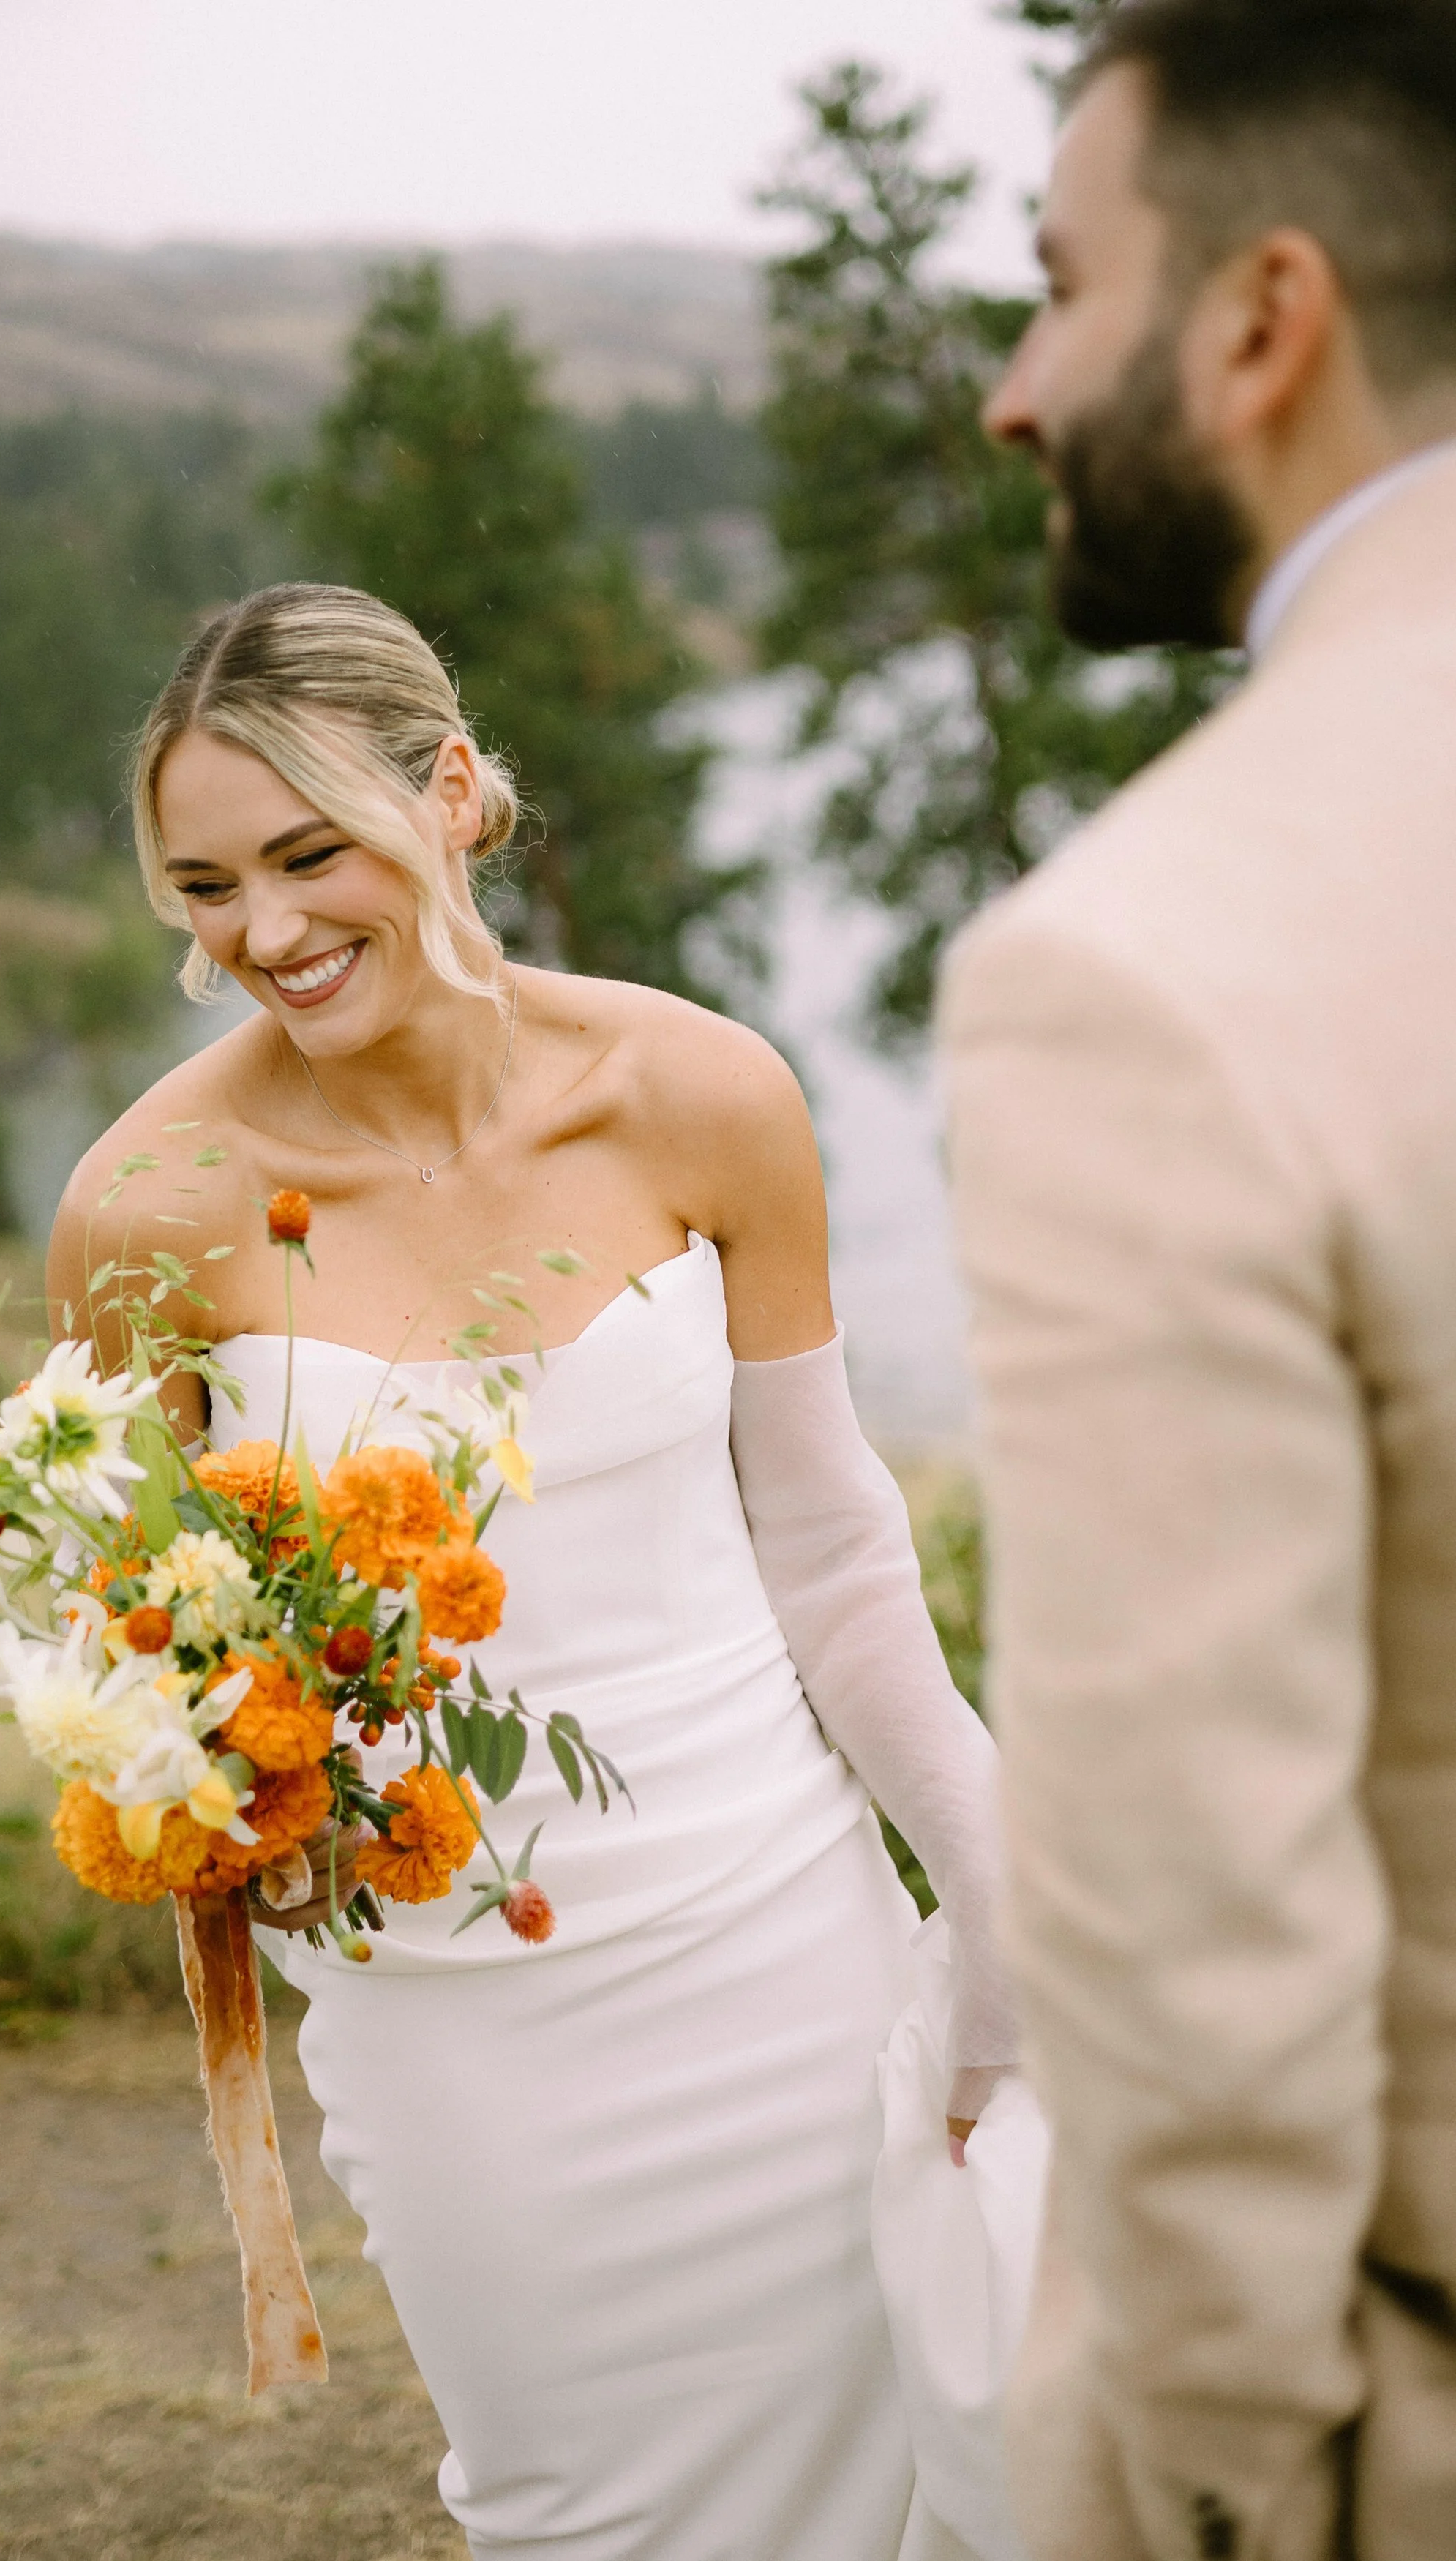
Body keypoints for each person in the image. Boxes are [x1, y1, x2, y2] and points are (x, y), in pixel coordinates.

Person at [48, 580, 1018, 2560]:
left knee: (923, 2461)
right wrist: (207, 1773)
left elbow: (831, 1549)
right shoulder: (147, 1207)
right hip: (447, 1994)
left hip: (780, 1931)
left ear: (459, 794)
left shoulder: (697, 1093)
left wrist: (994, 1886)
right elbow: (128, 1634)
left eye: (315, 851)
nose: (267, 930)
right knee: (580, 2504)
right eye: (206, 883)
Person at [940, 4, 1456, 2556]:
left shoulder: (1142, 970)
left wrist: (1241, 2469)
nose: (1018, 391)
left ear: (1260, 322)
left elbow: (1190, 1941)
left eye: (1055, 285)